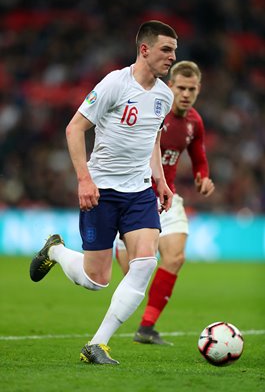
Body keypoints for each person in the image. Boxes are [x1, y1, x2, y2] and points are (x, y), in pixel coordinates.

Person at [29, 20, 178, 365]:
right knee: (97, 280)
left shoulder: (164, 96)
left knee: (144, 263)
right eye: (166, 49)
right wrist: (84, 179)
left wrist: (161, 180)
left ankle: (97, 344)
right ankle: (58, 251)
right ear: (144, 49)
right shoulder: (115, 83)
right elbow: (74, 128)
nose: (172, 57)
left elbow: (152, 137)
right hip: (103, 191)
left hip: (140, 192)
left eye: (174, 51)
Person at [115, 60, 215, 345]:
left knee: (175, 257)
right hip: (134, 197)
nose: (185, 94)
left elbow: (199, 158)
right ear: (169, 85)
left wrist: (202, 177)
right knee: (134, 275)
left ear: (198, 90)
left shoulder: (195, 121)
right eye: (180, 87)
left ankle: (146, 328)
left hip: (167, 198)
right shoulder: (152, 110)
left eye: (191, 89)